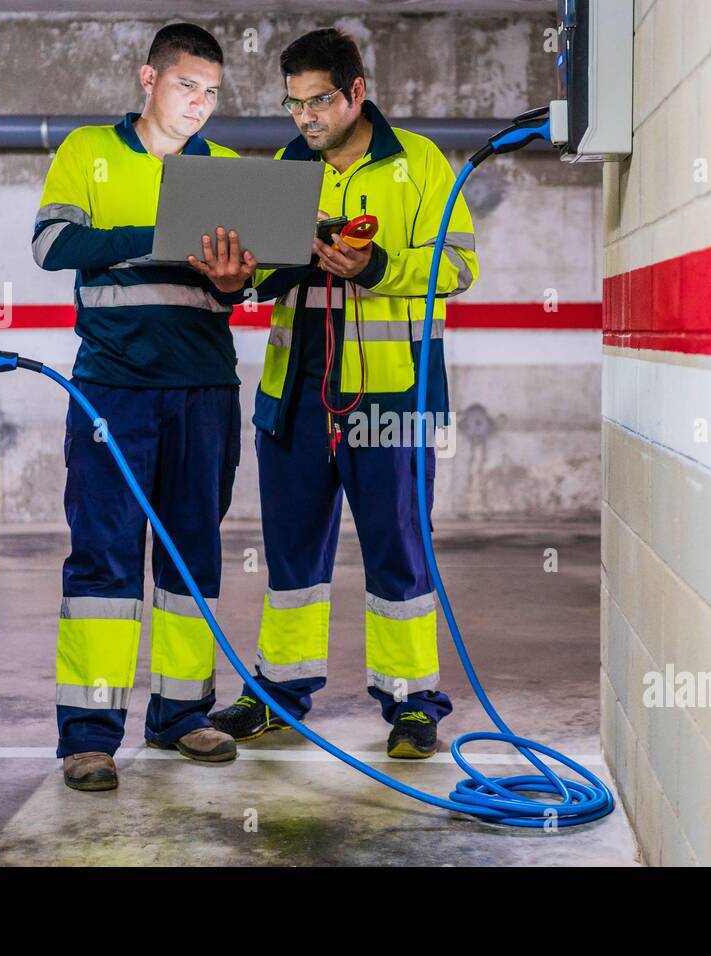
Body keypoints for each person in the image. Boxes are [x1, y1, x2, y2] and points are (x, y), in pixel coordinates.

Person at [208, 28, 478, 759]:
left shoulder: (419, 163)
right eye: (293, 104)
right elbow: (260, 281)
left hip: (393, 399)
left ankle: (412, 702)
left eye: (318, 101)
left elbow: (456, 266)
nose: (305, 118)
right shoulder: (282, 171)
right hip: (294, 394)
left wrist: (374, 262)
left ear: (356, 91)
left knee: (399, 551)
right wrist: (244, 278)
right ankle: (279, 693)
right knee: (290, 553)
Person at [31, 22, 257, 791]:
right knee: (104, 557)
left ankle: (182, 716)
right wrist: (161, 234)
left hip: (203, 391)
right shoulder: (87, 151)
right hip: (112, 390)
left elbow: (240, 288)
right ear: (148, 79)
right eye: (186, 85)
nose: (199, 103)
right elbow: (53, 244)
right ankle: (90, 736)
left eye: (211, 92)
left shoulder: (225, 168)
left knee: (191, 558)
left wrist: (233, 279)